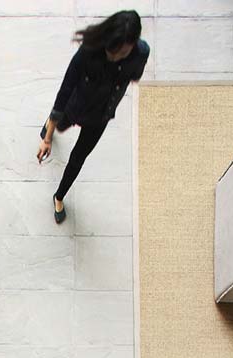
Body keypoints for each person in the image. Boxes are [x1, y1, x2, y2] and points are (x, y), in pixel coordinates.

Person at [37, 10, 150, 223]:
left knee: (79, 156)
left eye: (122, 53)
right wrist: (47, 139)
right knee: (58, 123)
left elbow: (135, 74)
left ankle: (59, 196)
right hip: (77, 104)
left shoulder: (141, 53)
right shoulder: (88, 51)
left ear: (133, 45)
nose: (115, 56)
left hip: (100, 114)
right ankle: (50, 125)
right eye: (112, 51)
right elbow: (64, 92)